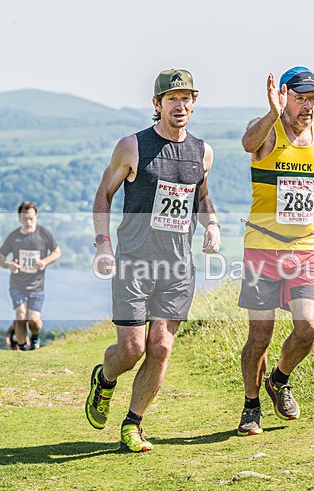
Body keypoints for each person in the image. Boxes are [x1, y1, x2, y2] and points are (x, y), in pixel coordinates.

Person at [85, 69, 220, 453]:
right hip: (134, 263)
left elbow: (202, 195)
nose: (180, 105)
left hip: (177, 267)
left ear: (194, 103)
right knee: (132, 350)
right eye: (172, 99)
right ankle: (104, 380)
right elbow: (103, 196)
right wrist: (102, 244)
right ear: (157, 104)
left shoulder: (203, 152)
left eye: (186, 98)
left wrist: (212, 226)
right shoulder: (132, 146)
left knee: (160, 346)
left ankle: (133, 423)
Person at [236, 66, 314, 436]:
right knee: (260, 334)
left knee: (309, 327)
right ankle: (251, 406)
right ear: (284, 95)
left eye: (313, 99)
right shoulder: (267, 128)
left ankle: (279, 379)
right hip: (261, 248)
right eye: (300, 99)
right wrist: (272, 111)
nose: (308, 107)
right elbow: (248, 144)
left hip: (304, 250)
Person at [0, 201, 61, 351]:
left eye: (31, 218)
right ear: (19, 218)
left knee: (34, 321)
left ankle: (35, 338)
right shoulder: (13, 236)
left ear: (36, 217)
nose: (28, 222)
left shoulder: (44, 234)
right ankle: (21, 349)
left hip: (37, 286)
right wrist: (9, 265)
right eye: (25, 219)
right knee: (20, 316)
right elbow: (0, 258)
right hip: (17, 284)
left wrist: (45, 261)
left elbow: (57, 252)